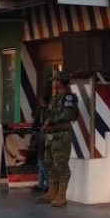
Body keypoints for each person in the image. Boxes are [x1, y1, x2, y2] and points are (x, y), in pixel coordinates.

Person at [36, 72, 78, 208]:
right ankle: (52, 192)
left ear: (62, 81)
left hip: (61, 135)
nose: (54, 82)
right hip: (51, 135)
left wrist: (51, 119)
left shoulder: (68, 98)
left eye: (56, 80)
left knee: (61, 165)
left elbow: (68, 115)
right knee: (48, 161)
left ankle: (61, 196)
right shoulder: (55, 98)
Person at [31, 95, 49, 192]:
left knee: (43, 161)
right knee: (40, 162)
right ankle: (41, 183)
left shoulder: (48, 112)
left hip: (45, 136)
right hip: (39, 134)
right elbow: (36, 122)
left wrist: (47, 139)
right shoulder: (40, 110)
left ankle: (47, 183)